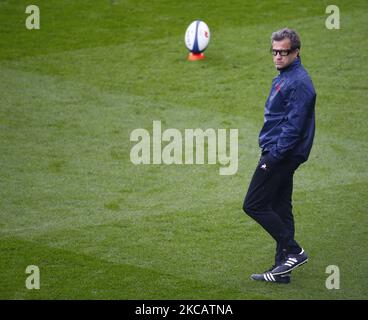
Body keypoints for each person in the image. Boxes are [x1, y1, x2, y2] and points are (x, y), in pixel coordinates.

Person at [242, 28, 316, 284]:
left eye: (283, 52)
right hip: (280, 151)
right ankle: (281, 270)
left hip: (282, 154)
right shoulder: (286, 76)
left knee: (253, 204)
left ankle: (294, 250)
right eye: (274, 52)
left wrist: (272, 157)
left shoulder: (299, 83)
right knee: (281, 208)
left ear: (296, 52)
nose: (277, 57)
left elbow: (295, 128)